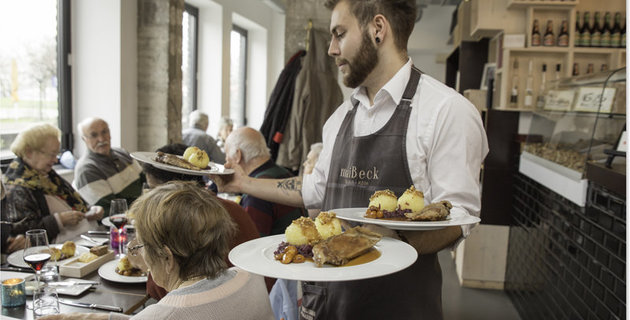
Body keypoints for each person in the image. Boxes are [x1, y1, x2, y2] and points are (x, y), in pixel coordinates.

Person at [211, 0, 489, 319]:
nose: (331, 49)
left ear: (378, 29)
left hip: (398, 305)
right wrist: (242, 182)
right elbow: (314, 190)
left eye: (339, 34)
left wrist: (383, 242)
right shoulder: (339, 118)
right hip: (329, 303)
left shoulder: (446, 111)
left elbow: (460, 216)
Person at [41, 182, 274, 320]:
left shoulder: (168, 313)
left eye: (142, 245)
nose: (141, 256)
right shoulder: (248, 277)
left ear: (167, 257)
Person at [140, 143, 262, 297]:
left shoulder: (186, 222)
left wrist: (146, 262)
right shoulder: (231, 208)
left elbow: (165, 292)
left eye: (152, 189)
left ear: (169, 194)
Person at [3, 123, 104, 244]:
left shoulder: (47, 175)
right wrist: (58, 221)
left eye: (56, 154)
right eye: (51, 154)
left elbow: (75, 202)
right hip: (58, 250)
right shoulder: (17, 186)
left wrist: (90, 210)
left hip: (84, 238)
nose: (56, 160)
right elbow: (22, 232)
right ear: (29, 152)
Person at [224, 127, 306, 237]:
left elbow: (250, 244)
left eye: (227, 154)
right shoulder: (285, 174)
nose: (226, 160)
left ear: (238, 155)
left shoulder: (256, 193)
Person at [73, 118, 145, 216]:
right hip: (122, 224)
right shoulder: (87, 170)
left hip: (142, 212)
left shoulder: (122, 153)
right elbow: (111, 212)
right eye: (94, 135)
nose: (101, 139)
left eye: (104, 132)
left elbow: (146, 183)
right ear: (84, 139)